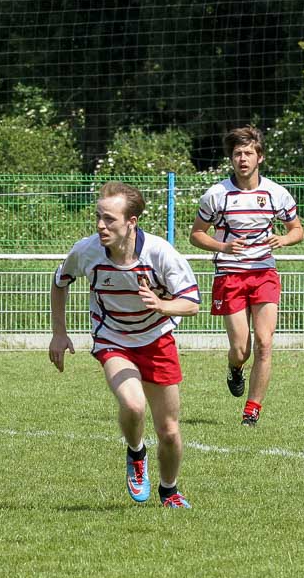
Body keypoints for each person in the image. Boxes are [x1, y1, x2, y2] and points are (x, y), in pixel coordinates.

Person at [49, 181, 200, 508]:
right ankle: (136, 453)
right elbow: (60, 281)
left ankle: (170, 491)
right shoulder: (87, 250)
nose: (101, 226)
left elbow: (191, 303)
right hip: (113, 339)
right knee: (133, 405)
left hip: (157, 340)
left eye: (109, 219)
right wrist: (59, 332)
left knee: (169, 431)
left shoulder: (159, 253)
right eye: (98, 217)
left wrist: (162, 305)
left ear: (132, 222)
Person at [190, 126, 303, 427]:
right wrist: (223, 246)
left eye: (248, 153)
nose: (242, 159)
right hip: (230, 275)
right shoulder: (217, 194)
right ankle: (235, 367)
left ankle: (251, 412)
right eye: (237, 153)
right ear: (231, 158)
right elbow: (196, 234)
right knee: (242, 349)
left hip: (264, 272)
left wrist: (284, 239)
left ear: (259, 157)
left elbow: (297, 230)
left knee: (264, 343)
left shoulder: (276, 193)